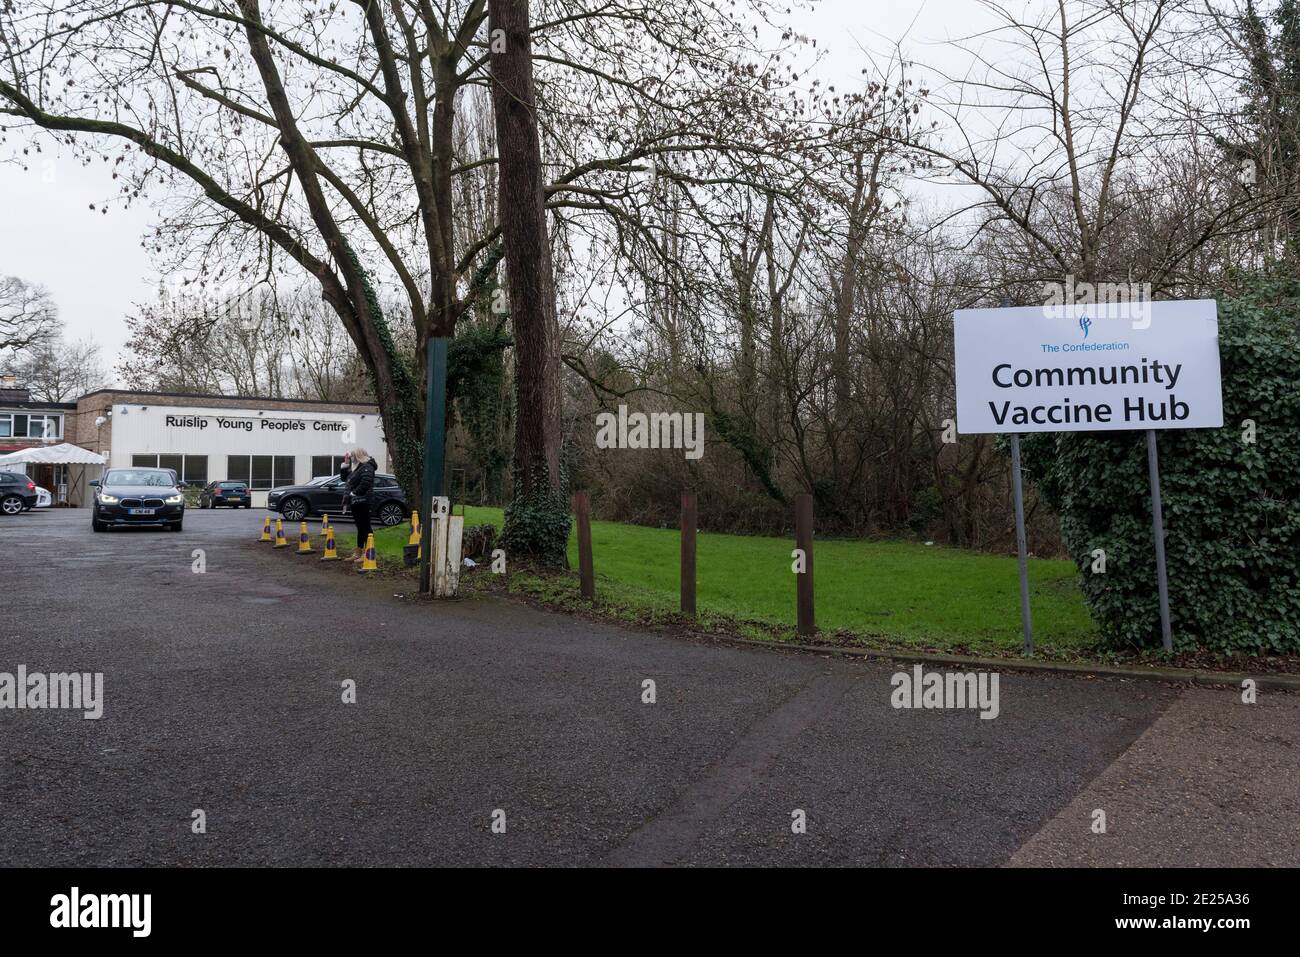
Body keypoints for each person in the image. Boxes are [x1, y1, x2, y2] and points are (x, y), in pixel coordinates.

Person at [339, 448, 377, 563]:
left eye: (353, 457)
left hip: (363, 501)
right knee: (360, 528)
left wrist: (354, 493)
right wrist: (345, 464)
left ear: (359, 456)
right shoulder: (357, 468)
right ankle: (358, 552)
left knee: (366, 527)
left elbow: (366, 483)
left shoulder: (367, 467)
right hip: (356, 501)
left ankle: (368, 553)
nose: (352, 459)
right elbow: (345, 478)